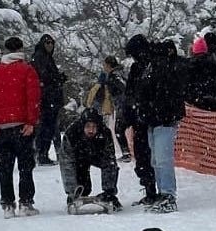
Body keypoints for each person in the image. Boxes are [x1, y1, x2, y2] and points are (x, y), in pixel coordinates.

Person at [0, 36, 42, 218]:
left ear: (5, 51)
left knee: (5, 168)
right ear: (21, 49)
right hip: (22, 125)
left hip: (2, 127)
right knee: (25, 166)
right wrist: (31, 121)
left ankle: (7, 205)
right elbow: (33, 98)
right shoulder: (27, 70)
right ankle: (26, 202)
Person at [136, 40, 186, 213]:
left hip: (163, 120)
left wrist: (154, 112)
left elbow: (165, 95)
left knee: (163, 159)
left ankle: (168, 194)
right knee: (156, 159)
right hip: (155, 120)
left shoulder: (164, 69)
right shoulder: (154, 69)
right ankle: (162, 192)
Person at [58, 108, 121, 211]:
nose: (91, 130)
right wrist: (72, 191)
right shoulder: (71, 134)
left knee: (110, 164)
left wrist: (109, 190)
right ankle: (78, 193)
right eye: (87, 126)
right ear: (82, 125)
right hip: (79, 158)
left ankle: (109, 194)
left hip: (98, 156)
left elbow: (109, 158)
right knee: (84, 188)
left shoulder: (105, 133)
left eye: (94, 127)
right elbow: (67, 164)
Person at [121, 35, 157, 206]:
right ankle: (149, 188)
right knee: (142, 156)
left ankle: (156, 190)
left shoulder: (154, 65)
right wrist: (128, 114)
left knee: (152, 156)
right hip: (139, 119)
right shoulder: (137, 68)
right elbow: (129, 93)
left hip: (152, 118)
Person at [31, 34, 66, 165]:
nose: (50, 45)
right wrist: (57, 79)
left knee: (49, 127)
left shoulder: (46, 57)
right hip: (47, 98)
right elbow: (43, 77)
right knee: (47, 127)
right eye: (47, 43)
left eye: (51, 43)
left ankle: (42, 153)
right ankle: (42, 154)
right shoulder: (40, 57)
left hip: (50, 97)